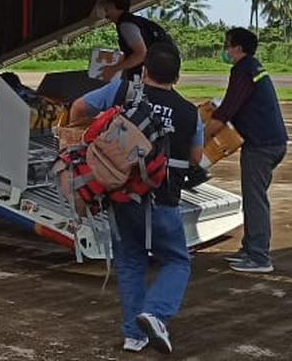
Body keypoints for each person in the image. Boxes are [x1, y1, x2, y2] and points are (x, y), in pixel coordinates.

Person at [69, 42, 204, 354]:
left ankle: (134, 335)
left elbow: (78, 107)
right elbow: (196, 157)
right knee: (176, 260)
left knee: (129, 261)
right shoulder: (189, 112)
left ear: (144, 72)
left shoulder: (121, 92)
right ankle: (155, 313)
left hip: (121, 194)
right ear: (178, 77)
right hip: (163, 200)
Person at [212, 27, 288, 274]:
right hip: (270, 142)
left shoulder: (243, 71)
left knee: (255, 201)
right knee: (254, 198)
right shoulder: (253, 67)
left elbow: (226, 111)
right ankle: (250, 248)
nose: (225, 49)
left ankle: (259, 256)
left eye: (227, 45)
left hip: (261, 146)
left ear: (238, 48)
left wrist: (200, 135)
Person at [92, 0, 173, 83]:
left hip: (150, 77)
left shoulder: (126, 25)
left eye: (103, 3)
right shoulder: (134, 21)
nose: (101, 7)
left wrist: (113, 69)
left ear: (111, 5)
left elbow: (140, 54)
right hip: (162, 72)